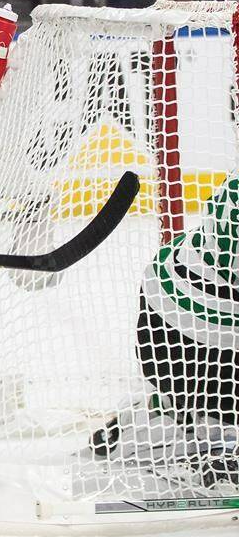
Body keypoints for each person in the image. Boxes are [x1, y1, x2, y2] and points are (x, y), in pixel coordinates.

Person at [90, 176, 239, 488]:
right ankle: (197, 436)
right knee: (214, 413)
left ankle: (165, 414)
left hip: (164, 314)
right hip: (194, 337)